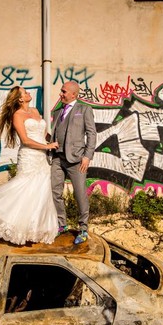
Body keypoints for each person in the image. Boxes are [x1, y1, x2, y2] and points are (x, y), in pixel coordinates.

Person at [0, 86, 60, 245]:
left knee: (40, 191)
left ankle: (34, 229)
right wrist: (47, 146)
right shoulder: (17, 115)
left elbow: (44, 134)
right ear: (20, 99)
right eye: (25, 92)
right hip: (29, 155)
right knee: (23, 187)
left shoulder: (35, 111)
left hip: (42, 157)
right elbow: (26, 140)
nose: (28, 93)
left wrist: (55, 142)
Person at [50, 81, 96, 245]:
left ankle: (83, 228)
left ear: (73, 94)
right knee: (55, 191)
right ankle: (62, 224)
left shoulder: (84, 109)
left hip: (77, 159)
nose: (60, 94)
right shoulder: (57, 112)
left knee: (80, 194)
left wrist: (87, 156)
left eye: (63, 91)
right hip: (57, 158)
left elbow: (91, 134)